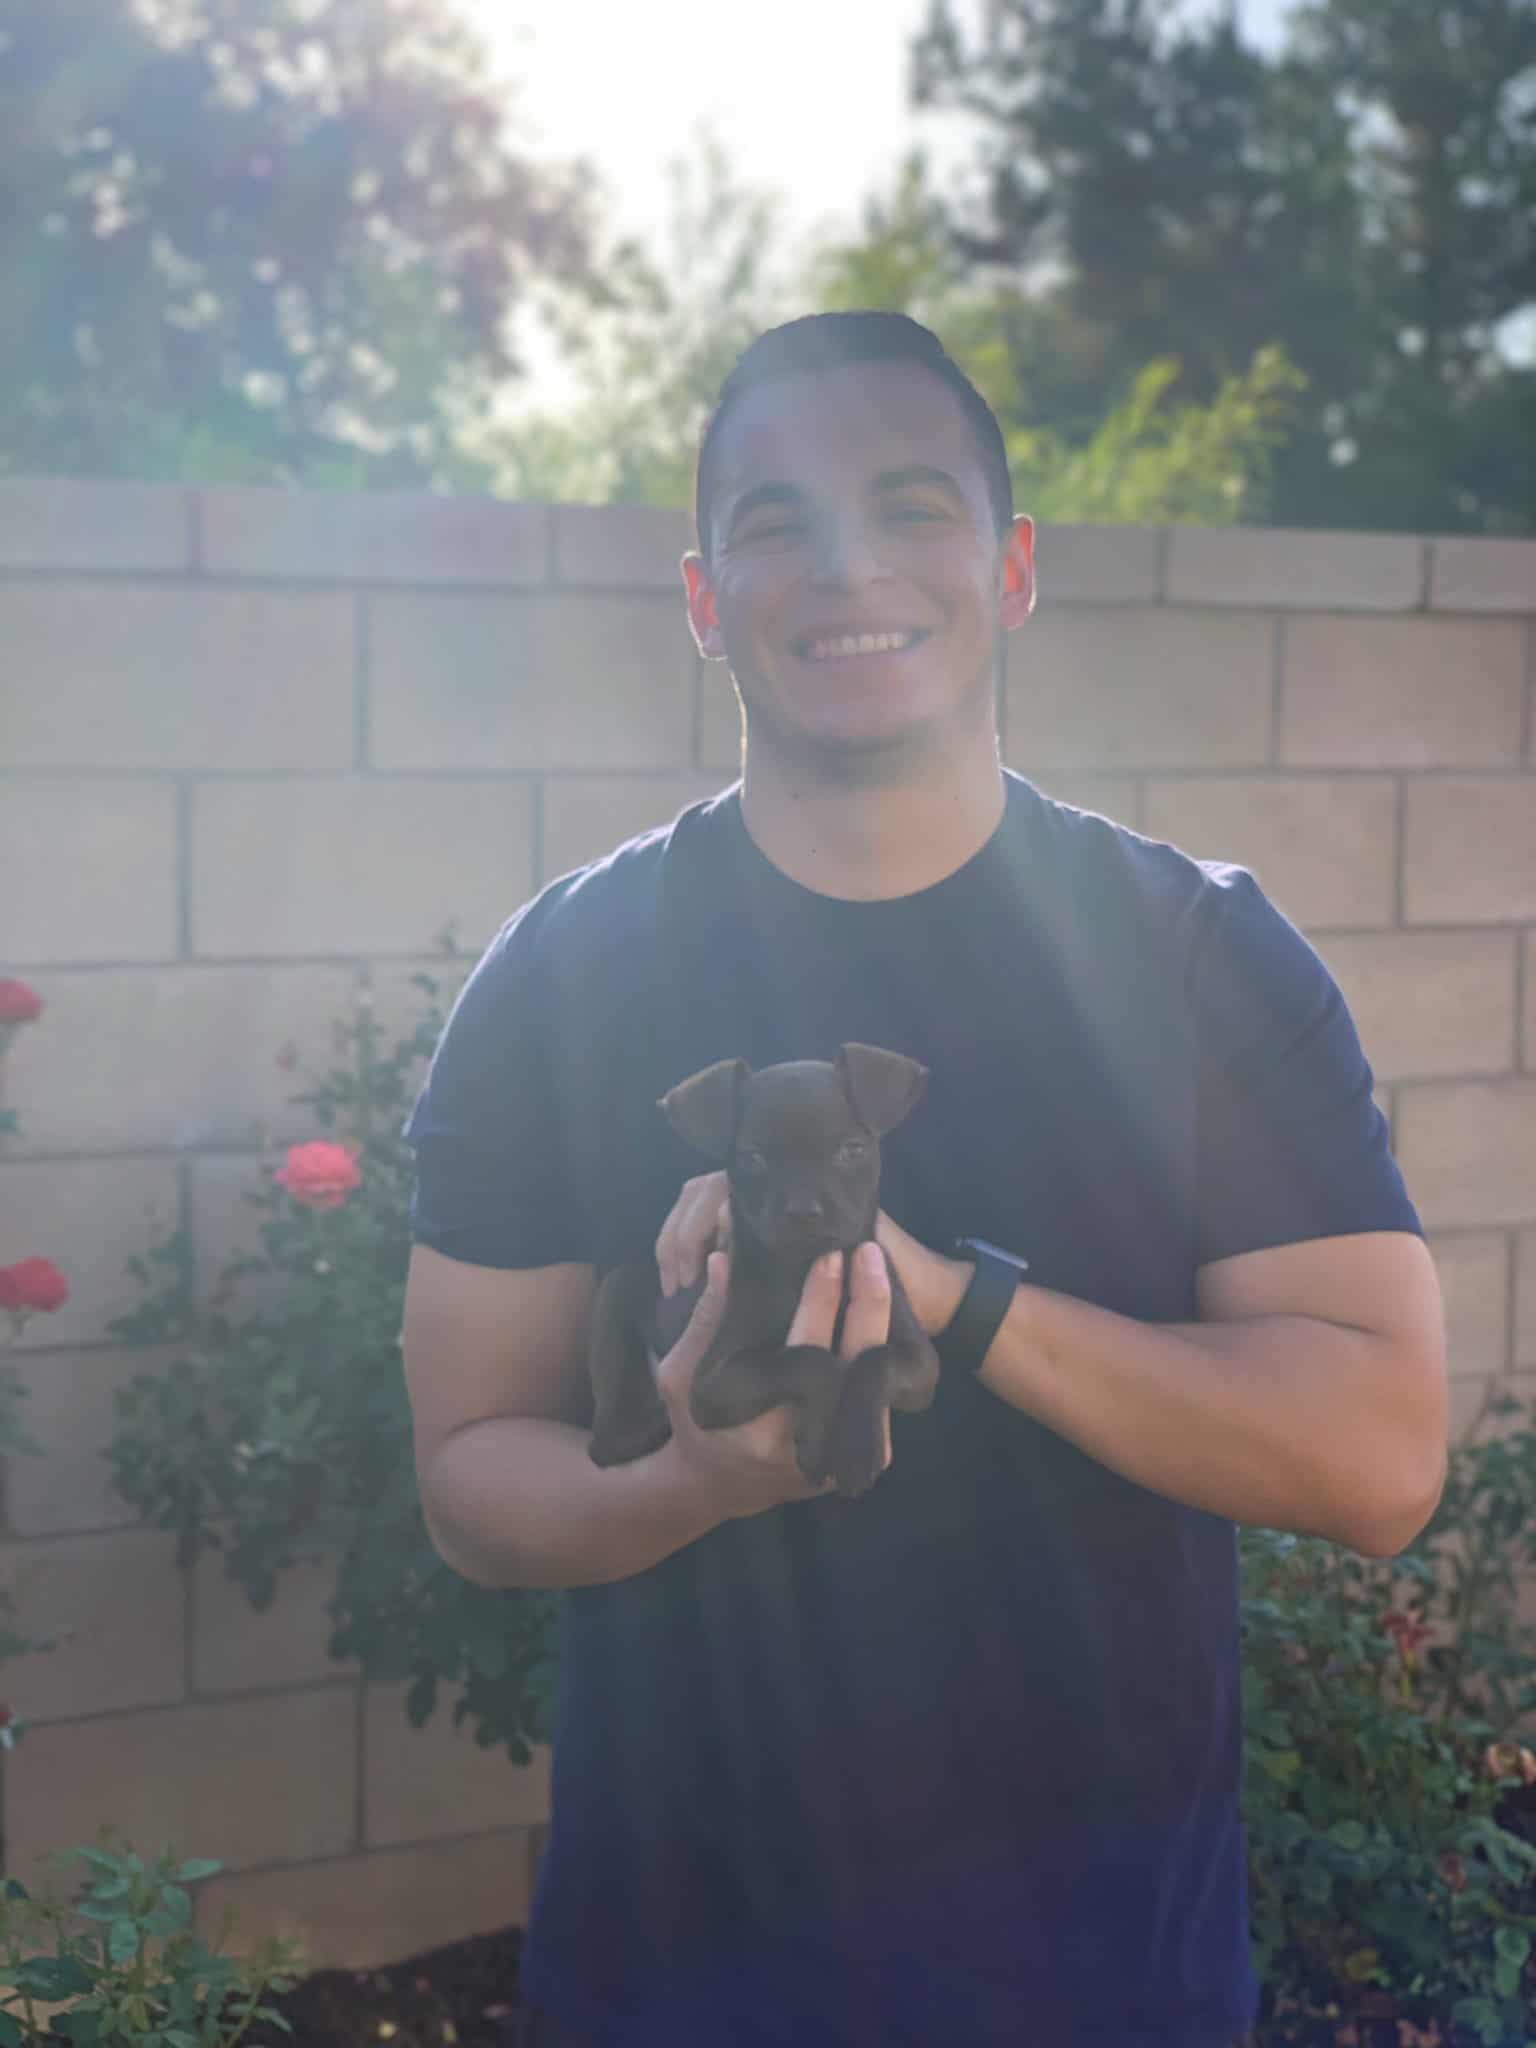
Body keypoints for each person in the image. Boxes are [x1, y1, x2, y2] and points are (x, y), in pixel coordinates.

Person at [399, 312, 1448, 2048]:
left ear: (1015, 566)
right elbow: (469, 1481)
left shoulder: (1200, 959)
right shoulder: (559, 976)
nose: (846, 568)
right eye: (774, 523)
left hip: (1101, 1982)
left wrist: (955, 1301)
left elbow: (1380, 1455)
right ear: (702, 594)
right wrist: (696, 1483)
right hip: (673, 1979)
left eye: (910, 507)